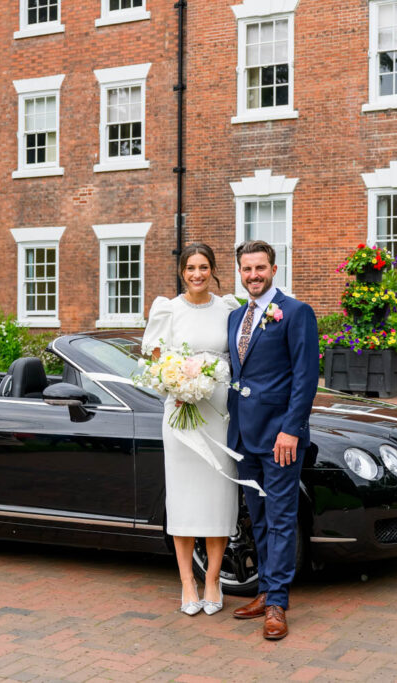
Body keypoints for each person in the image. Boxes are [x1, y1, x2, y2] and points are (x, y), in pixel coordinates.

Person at [141, 243, 242, 616]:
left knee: (218, 497)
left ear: (213, 269)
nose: (196, 274)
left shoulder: (228, 308)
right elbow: (155, 365)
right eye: (190, 268)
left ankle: (213, 578)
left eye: (203, 267)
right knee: (183, 500)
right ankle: (187, 582)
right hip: (179, 413)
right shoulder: (168, 309)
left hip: (218, 413)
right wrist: (174, 385)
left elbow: (236, 356)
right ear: (182, 272)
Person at [227, 239, 319, 641]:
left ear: (274, 269)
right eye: (247, 269)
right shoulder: (235, 318)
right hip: (243, 436)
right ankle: (265, 591)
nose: (253, 276)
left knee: (282, 518)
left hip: (280, 436)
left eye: (260, 268)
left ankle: (278, 603)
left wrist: (291, 429)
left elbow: (305, 377)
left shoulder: (296, 313)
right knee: (258, 518)